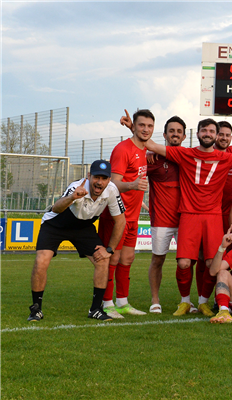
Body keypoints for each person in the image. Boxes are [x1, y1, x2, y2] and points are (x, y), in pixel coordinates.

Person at [144, 118, 232, 316]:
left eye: (211, 131)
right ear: (197, 134)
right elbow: (151, 144)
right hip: (188, 215)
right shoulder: (185, 153)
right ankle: (185, 302)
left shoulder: (226, 158)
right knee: (184, 263)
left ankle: (204, 302)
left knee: (210, 263)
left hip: (212, 217)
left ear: (215, 135)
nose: (207, 133)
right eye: (204, 130)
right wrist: (136, 133)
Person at [28, 160, 126, 322]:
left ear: (109, 180)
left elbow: (121, 221)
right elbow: (56, 208)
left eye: (104, 178)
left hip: (83, 227)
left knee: (102, 261)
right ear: (89, 176)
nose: (99, 182)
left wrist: (109, 250)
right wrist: (72, 197)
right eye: (96, 177)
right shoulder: (77, 187)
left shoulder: (112, 190)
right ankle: (36, 310)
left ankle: (95, 309)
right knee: (41, 261)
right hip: (56, 224)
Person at [99, 109, 153, 318]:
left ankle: (122, 302)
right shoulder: (123, 149)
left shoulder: (144, 149)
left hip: (133, 215)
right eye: (141, 125)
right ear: (135, 126)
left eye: (149, 126)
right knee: (112, 259)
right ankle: (106, 303)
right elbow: (111, 184)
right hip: (115, 216)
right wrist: (132, 184)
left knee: (127, 258)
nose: (146, 129)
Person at [142, 116, 187, 314]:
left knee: (186, 262)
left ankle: (185, 301)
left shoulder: (188, 157)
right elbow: (133, 160)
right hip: (161, 220)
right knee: (158, 260)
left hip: (186, 219)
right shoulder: (152, 158)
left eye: (179, 131)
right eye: (171, 130)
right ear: (165, 134)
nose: (175, 134)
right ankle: (155, 300)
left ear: (184, 136)